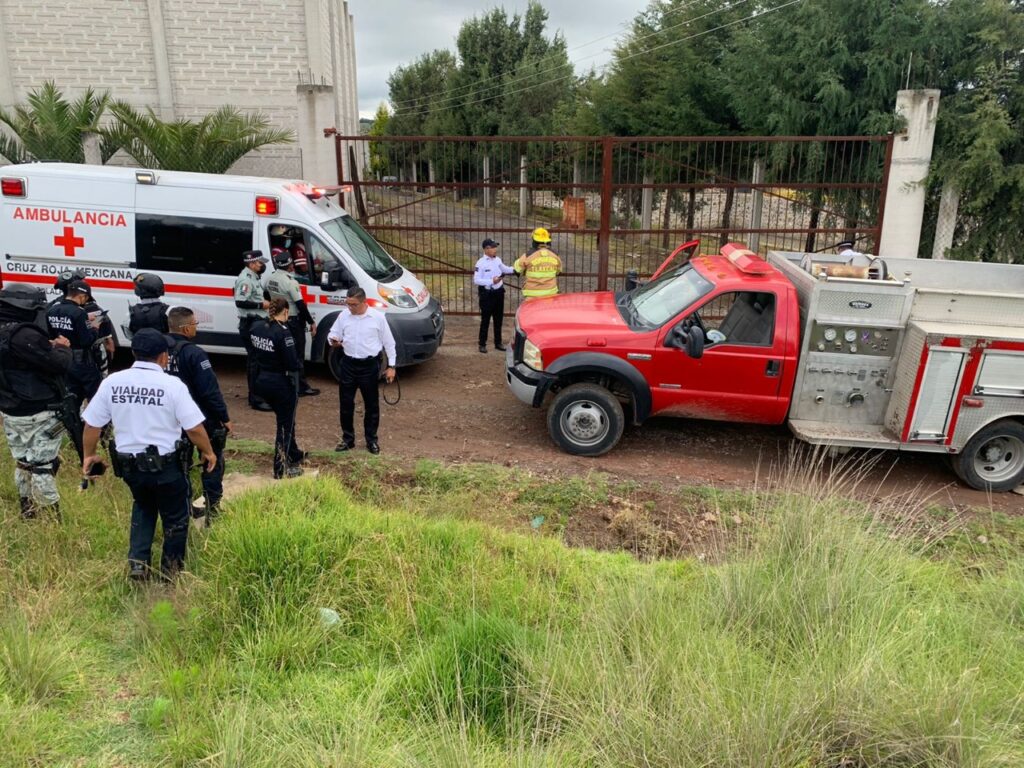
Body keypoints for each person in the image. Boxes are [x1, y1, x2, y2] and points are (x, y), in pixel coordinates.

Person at [81, 329, 216, 580]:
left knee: (143, 506)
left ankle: (138, 563)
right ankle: (170, 572)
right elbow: (194, 428)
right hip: (167, 467)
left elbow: (92, 425)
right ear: (164, 356)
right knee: (175, 516)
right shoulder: (172, 385)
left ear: (134, 353)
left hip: (130, 468)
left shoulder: (113, 382)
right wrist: (208, 452)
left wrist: (89, 456)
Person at [0, 284, 73, 519]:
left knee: (23, 462)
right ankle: (51, 517)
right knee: (42, 466)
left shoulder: (10, 333)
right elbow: (58, 364)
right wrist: (63, 348)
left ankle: (27, 511)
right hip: (38, 410)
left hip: (10, 409)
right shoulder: (24, 335)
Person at [166, 306, 231, 519]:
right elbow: (209, 390)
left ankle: (184, 508)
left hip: (170, 419)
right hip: (200, 418)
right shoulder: (194, 353)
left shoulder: (159, 351)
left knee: (179, 466)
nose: (196, 328)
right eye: (195, 324)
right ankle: (213, 509)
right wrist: (224, 417)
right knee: (211, 461)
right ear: (186, 329)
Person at [327, 287, 396, 455]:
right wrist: (333, 340)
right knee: (345, 403)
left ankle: (371, 440)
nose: (350, 307)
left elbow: (389, 343)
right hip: (348, 364)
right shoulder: (344, 315)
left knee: (371, 405)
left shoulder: (377, 318)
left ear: (364, 302)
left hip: (369, 366)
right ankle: (348, 439)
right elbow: (333, 333)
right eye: (348, 304)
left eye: (354, 305)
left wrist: (391, 366)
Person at [250, 298, 305, 478]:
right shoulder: (283, 332)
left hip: (261, 379)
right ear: (286, 311)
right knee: (284, 426)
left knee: (287, 419)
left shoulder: (257, 327)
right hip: (280, 382)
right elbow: (292, 363)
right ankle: (280, 468)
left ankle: (294, 453)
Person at [267, 248, 320, 397]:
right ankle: (300, 387)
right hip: (292, 321)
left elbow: (266, 293)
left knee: (282, 353)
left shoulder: (270, 278)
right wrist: (311, 322)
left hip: (278, 319)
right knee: (297, 354)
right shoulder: (290, 282)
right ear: (290, 265)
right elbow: (300, 304)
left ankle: (286, 384)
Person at [46, 278, 102, 414]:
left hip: (63, 359)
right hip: (83, 362)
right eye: (86, 298)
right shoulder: (79, 312)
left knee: (71, 397)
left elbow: (52, 336)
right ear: (81, 296)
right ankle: (96, 424)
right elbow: (86, 341)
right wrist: (95, 328)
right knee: (95, 396)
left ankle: (73, 423)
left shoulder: (52, 310)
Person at [234, 250, 273, 412]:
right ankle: (256, 399)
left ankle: (258, 394)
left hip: (256, 323)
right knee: (255, 362)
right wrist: (261, 305)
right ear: (251, 264)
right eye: (259, 263)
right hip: (250, 323)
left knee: (258, 360)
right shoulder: (246, 279)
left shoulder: (254, 277)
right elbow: (240, 301)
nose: (262, 265)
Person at [473, 238, 515, 353]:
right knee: (485, 320)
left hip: (498, 293)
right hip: (487, 295)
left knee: (498, 319)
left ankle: (498, 343)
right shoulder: (480, 263)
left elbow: (506, 269)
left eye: (495, 247)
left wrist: (517, 268)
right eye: (493, 247)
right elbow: (476, 280)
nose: (495, 249)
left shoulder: (497, 260)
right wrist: (492, 281)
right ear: (486, 249)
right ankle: (482, 344)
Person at [514, 227, 562, 300]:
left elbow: (517, 270)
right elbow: (559, 272)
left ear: (534, 240)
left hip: (532, 296)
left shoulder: (528, 255)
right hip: (551, 295)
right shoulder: (555, 255)